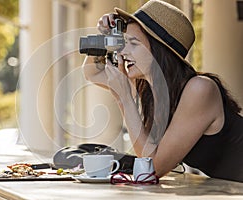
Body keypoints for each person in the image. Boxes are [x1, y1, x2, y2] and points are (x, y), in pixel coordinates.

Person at [82, 0, 243, 182]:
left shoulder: (200, 89)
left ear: (160, 50)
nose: (122, 51)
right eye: (124, 43)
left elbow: (152, 169)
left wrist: (124, 98)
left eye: (134, 44)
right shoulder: (151, 89)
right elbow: (92, 73)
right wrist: (103, 35)